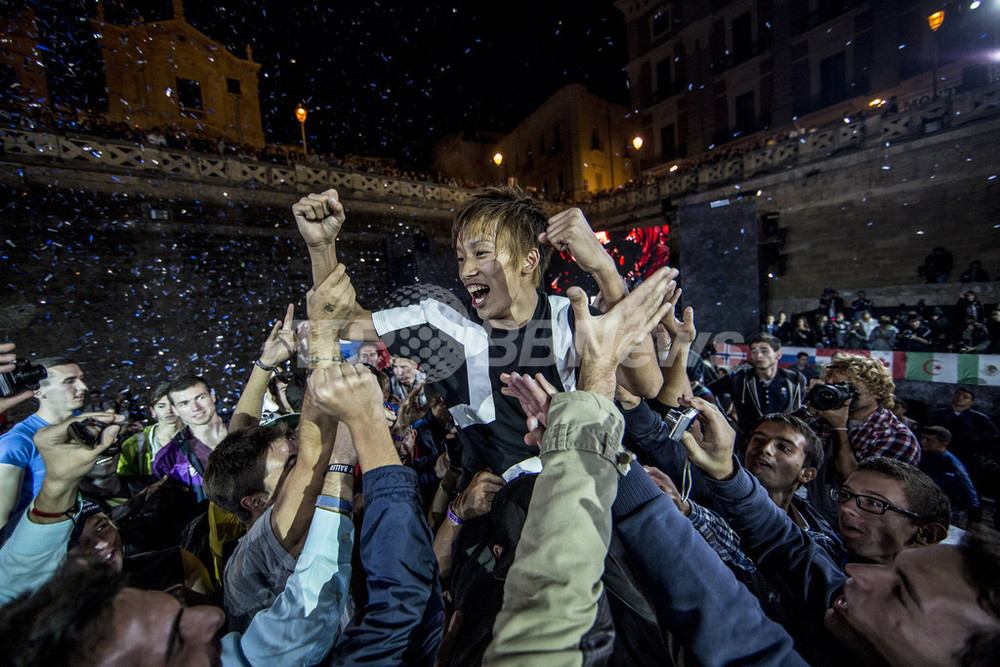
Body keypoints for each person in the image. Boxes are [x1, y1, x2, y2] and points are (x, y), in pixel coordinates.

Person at [0, 362, 444, 666]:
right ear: (254, 503)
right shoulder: (252, 559)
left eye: (178, 604)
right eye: (175, 641)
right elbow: (395, 607)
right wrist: (358, 435)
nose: (212, 617)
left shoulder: (240, 648)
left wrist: (56, 489)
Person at [292, 186, 666, 484]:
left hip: (576, 491)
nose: (466, 269)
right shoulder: (442, 323)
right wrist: (321, 246)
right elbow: (346, 323)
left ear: (528, 260)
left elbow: (646, 385)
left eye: (481, 253)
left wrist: (603, 267)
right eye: (459, 257)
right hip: (492, 517)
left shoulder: (572, 315)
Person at [676, 398, 1000, 666]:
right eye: (845, 496)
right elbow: (782, 539)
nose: (847, 509)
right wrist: (723, 474)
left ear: (927, 535)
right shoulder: (828, 549)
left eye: (873, 504)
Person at [806, 353, 920, 524]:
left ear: (877, 392)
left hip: (863, 527)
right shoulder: (822, 419)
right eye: (834, 386)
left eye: (847, 387)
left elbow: (861, 485)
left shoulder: (896, 436)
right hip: (817, 518)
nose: (839, 393)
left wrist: (839, 427)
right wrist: (810, 406)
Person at [0, 356, 87, 525]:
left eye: (81, 379)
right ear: (38, 390)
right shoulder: (17, 442)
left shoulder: (88, 425)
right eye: (69, 381)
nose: (83, 387)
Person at [706, 332, 806, 437]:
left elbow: (798, 407)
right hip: (748, 442)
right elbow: (707, 392)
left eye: (764, 351)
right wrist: (723, 419)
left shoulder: (794, 380)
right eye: (754, 351)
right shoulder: (739, 378)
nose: (758, 355)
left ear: (778, 354)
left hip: (783, 440)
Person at [150, 375, 229, 500]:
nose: (196, 408)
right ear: (175, 410)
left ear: (212, 396)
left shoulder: (246, 430)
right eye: (184, 403)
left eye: (200, 398)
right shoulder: (168, 458)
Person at [927, 387, 1000, 500]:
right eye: (957, 395)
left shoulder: (980, 419)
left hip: (969, 459)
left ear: (971, 402)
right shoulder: (939, 414)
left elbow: (992, 439)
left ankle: (974, 516)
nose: (959, 398)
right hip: (941, 456)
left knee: (972, 489)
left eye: (965, 397)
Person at [115, 383, 183, 479]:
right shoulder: (132, 446)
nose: (169, 410)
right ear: (153, 411)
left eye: (173, 404)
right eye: (161, 406)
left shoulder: (200, 437)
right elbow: (124, 481)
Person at [919, 425, 980, 527]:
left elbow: (969, 494)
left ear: (943, 444)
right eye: (923, 438)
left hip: (946, 510)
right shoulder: (924, 455)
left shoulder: (952, 465)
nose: (923, 442)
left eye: (928, 440)